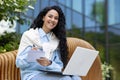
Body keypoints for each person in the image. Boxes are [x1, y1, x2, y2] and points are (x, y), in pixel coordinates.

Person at [16, 5, 82, 80]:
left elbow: (59, 65)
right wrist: (31, 55)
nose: (53, 20)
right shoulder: (29, 35)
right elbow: (19, 63)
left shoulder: (55, 41)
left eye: (56, 18)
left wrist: (49, 63)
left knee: (76, 77)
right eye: (50, 16)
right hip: (32, 74)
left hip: (49, 73)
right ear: (43, 17)